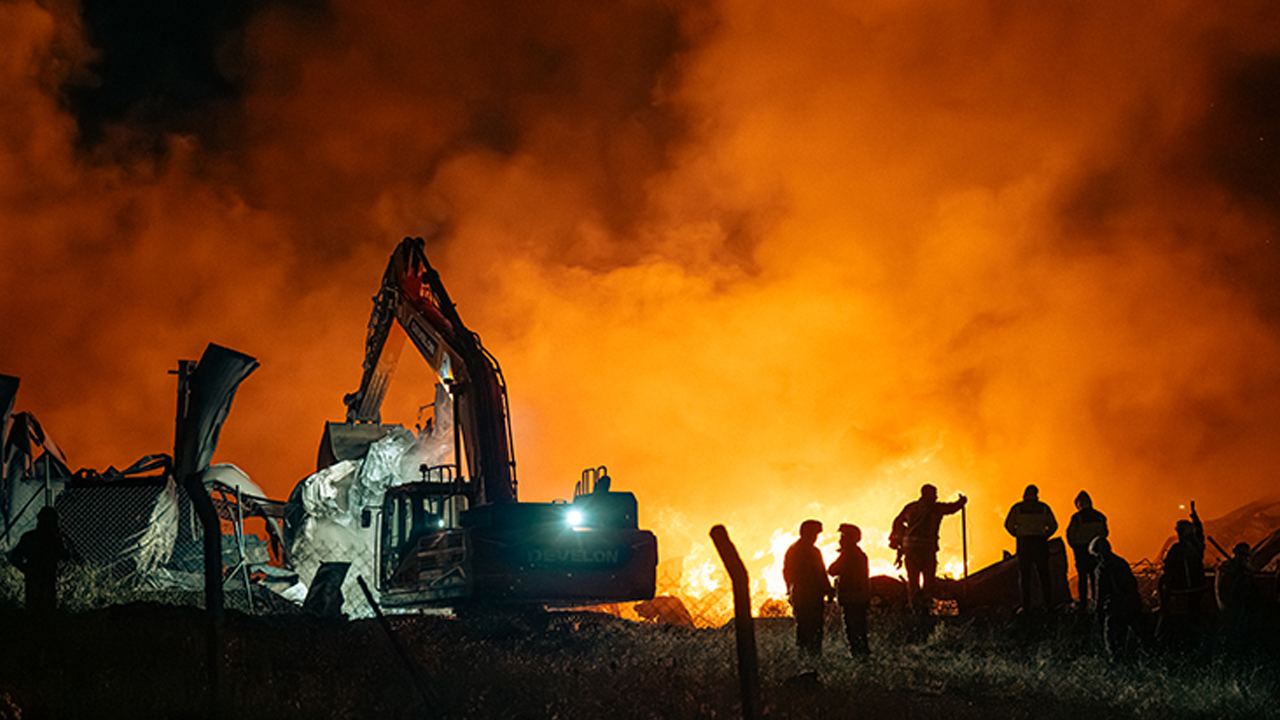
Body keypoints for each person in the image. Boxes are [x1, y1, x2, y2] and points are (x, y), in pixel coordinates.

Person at [890, 484, 967, 612]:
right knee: (928, 584)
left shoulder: (911, 508)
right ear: (928, 495)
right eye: (934, 494)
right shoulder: (935, 508)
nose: (936, 497)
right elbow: (951, 508)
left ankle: (915, 610)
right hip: (926, 552)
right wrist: (962, 501)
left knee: (913, 583)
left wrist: (898, 541)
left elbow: (897, 521)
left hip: (910, 551)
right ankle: (927, 611)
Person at [1157, 502, 1207, 650]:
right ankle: (1196, 643)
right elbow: (1200, 535)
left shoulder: (1178, 549)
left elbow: (1168, 568)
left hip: (1182, 590)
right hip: (1195, 589)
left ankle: (1181, 644)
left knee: (1180, 619)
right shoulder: (1196, 547)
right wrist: (1195, 518)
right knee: (1193, 616)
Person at [1090, 536, 1146, 661]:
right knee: (1140, 636)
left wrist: (1097, 610)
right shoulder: (1121, 562)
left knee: (1112, 641)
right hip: (1131, 604)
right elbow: (1132, 583)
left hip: (1115, 608)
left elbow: (1101, 592)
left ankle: (1117, 662)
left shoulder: (1102, 568)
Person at [1004, 485, 1058, 612]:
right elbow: (1053, 525)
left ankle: (1026, 606)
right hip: (1040, 543)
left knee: (1025, 576)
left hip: (1024, 544)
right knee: (1044, 575)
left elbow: (1008, 524)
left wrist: (1017, 534)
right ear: (1036, 495)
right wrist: (1045, 535)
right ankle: (1049, 604)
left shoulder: (1017, 508)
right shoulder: (1043, 508)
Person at [783, 519, 832, 658]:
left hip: (802, 594)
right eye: (814, 534)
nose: (815, 538)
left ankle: (804, 655)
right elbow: (820, 573)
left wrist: (790, 590)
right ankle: (812, 655)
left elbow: (787, 572)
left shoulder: (794, 550)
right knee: (813, 627)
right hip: (810, 595)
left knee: (804, 626)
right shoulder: (811, 551)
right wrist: (828, 590)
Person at [8, 506, 69, 616]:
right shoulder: (51, 540)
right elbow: (65, 557)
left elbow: (15, 558)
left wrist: (26, 569)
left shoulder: (31, 537)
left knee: (36, 607)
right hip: (44, 576)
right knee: (45, 607)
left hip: (38, 576)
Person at [827, 524, 871, 656]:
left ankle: (858, 654)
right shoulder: (859, 554)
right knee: (859, 627)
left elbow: (832, 570)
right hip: (859, 597)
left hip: (851, 598)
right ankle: (862, 653)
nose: (840, 540)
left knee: (853, 628)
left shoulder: (849, 554)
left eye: (843, 537)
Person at [1065, 490, 1108, 611]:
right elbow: (1105, 533)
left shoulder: (1077, 517)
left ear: (1079, 504)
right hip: (1097, 550)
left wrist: (1074, 546)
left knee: (1082, 577)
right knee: (1096, 575)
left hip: (1081, 549)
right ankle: (1097, 601)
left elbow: (1070, 534)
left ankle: (1083, 603)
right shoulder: (1100, 516)